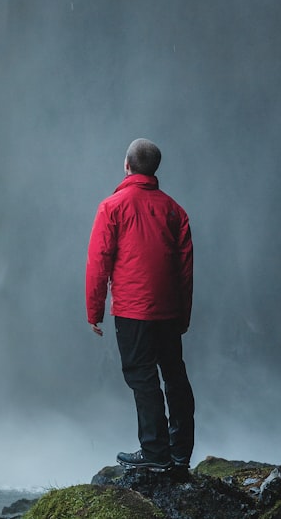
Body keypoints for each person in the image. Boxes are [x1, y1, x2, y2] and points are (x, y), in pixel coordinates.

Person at [86, 138, 195, 472]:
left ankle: (154, 452)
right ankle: (180, 453)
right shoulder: (175, 210)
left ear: (127, 165)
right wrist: (183, 315)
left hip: (132, 310)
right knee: (174, 374)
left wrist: (94, 311)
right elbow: (185, 269)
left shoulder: (112, 206)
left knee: (142, 377)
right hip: (168, 310)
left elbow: (98, 261)